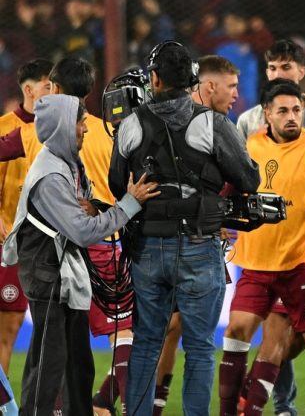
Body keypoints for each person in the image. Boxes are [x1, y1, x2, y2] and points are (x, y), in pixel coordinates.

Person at [109, 40, 260, 414]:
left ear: (154, 78)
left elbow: (117, 185)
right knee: (200, 346)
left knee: (145, 343)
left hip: (147, 247)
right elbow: (248, 178)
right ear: (193, 80)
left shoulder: (129, 124)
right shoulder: (212, 123)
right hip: (198, 244)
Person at [2, 94, 159, 414]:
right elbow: (83, 231)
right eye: (80, 122)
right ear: (62, 126)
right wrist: (130, 204)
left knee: (77, 364)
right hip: (48, 276)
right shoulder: (51, 174)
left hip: (60, 272)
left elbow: (82, 216)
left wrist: (99, 208)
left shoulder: (65, 163)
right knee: (50, 366)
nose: (86, 129)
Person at [219, 79, 305, 415]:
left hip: (299, 262)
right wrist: (218, 222)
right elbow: (228, 190)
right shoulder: (250, 146)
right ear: (266, 114)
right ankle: (231, 411)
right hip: (256, 263)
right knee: (236, 331)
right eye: (284, 110)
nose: (292, 117)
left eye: (297, 110)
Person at [44, 57, 135, 416]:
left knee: (59, 341)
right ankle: (128, 406)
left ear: (54, 89)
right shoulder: (110, 132)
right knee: (123, 336)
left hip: (64, 250)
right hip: (109, 244)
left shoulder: (44, 134)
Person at [0, 58, 53, 416]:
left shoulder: (59, 131)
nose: (54, 94)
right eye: (49, 87)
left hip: (44, 249)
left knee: (20, 331)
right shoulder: (6, 130)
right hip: (9, 249)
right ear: (30, 90)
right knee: (5, 330)